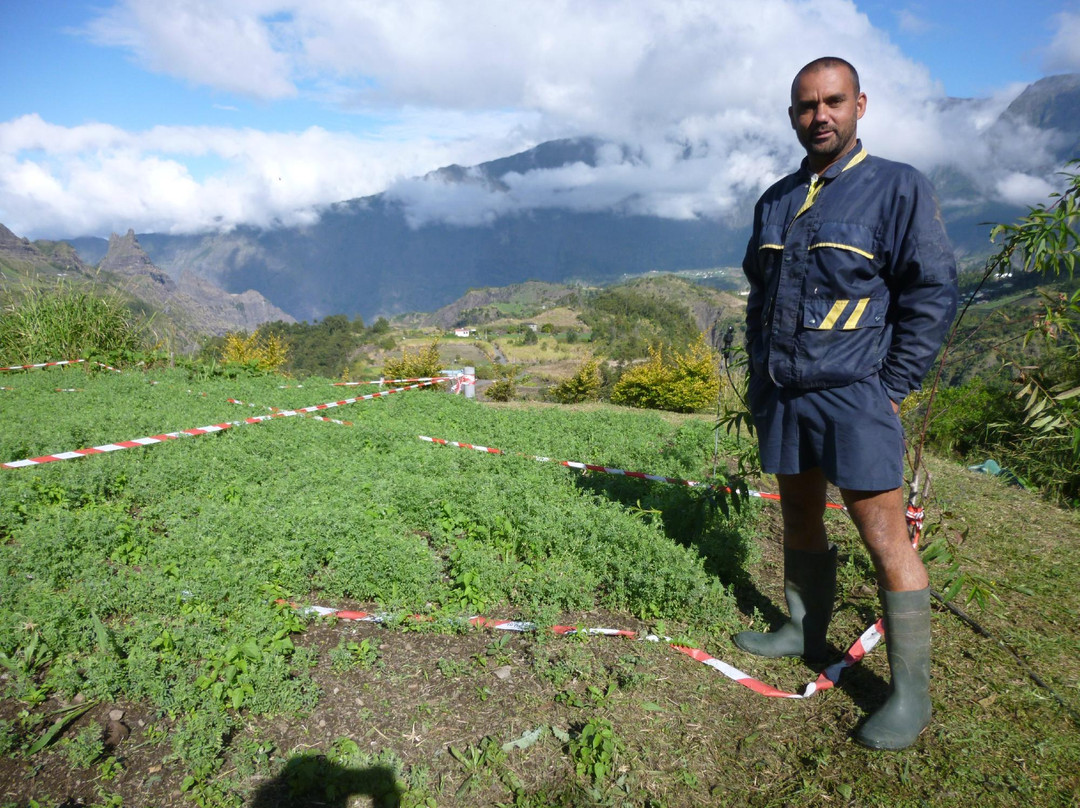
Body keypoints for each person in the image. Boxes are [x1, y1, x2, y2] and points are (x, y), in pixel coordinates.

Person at [735, 57, 958, 750]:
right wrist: (759, 377)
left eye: (833, 102)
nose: (819, 116)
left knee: (886, 539)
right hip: (785, 393)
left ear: (860, 104)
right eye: (806, 106)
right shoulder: (775, 199)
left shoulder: (897, 188)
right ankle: (801, 630)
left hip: (856, 394)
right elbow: (759, 296)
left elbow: (932, 294)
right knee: (799, 516)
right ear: (793, 115)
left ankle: (909, 698)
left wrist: (891, 388)